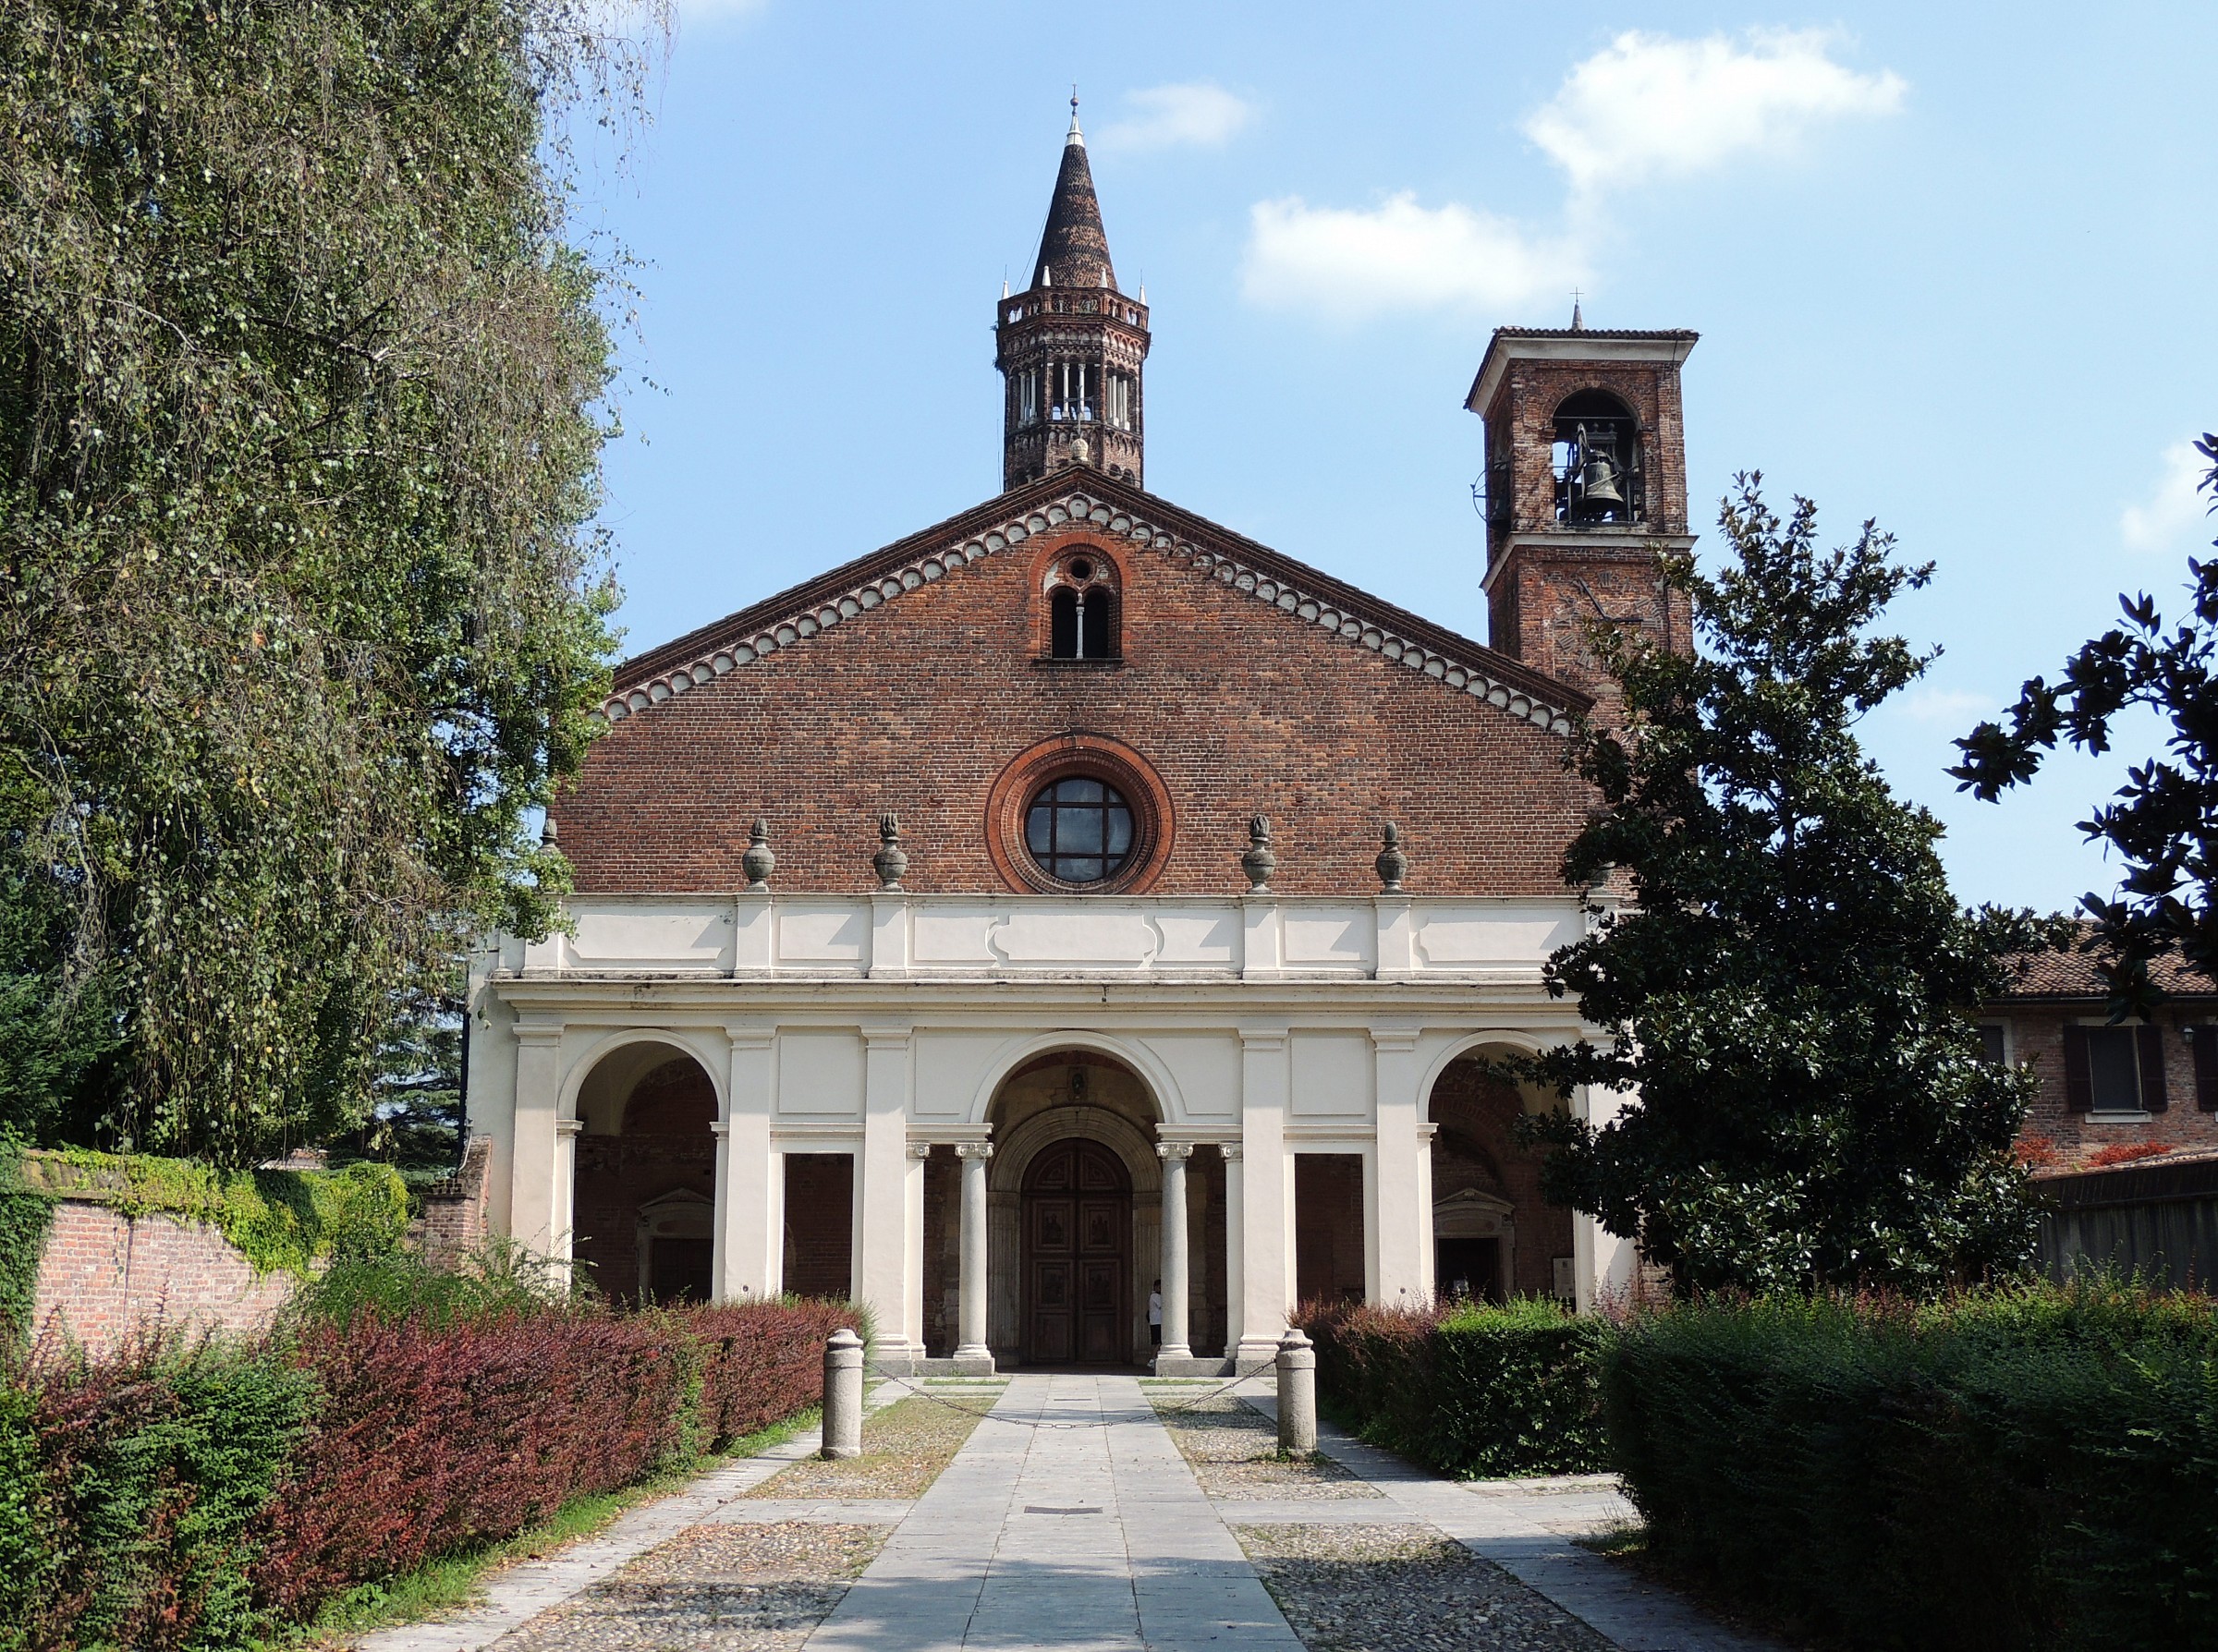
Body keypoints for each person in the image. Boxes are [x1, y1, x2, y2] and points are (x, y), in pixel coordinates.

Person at [1148, 1279, 1163, 1347]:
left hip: (1156, 1321)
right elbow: (1162, 1305)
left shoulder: (1156, 1296)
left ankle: (1154, 1356)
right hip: (1157, 1322)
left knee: (1157, 1342)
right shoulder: (1155, 1296)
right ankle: (1153, 1356)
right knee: (1158, 1342)